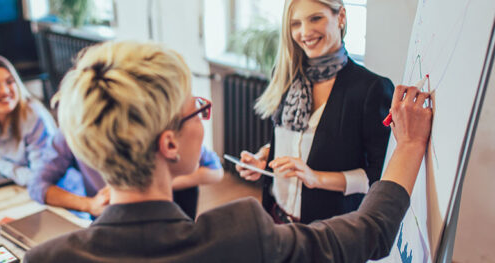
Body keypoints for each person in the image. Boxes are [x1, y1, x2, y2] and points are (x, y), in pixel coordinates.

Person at [23, 41, 433, 262]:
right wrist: (411, 144)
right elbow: (371, 234)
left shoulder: (45, 258)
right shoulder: (238, 237)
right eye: (196, 110)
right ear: (168, 144)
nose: (203, 117)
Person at [236, 0, 395, 223]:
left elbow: (379, 176)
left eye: (315, 18)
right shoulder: (287, 76)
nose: (304, 32)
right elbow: (296, 142)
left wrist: (316, 178)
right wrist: (264, 157)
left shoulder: (371, 89)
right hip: (275, 217)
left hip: (328, 231)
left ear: (340, 16)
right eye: (295, 24)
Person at [29, 131, 223, 219]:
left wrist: (164, 183)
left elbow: (214, 169)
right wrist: (88, 205)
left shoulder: (154, 126)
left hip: (167, 215)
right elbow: (37, 185)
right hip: (109, 218)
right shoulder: (71, 134)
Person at [0, 55, 57, 186]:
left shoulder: (34, 117)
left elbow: (39, 179)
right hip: (16, 186)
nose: (5, 91)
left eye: (9, 82)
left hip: (57, 193)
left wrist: (0, 164)